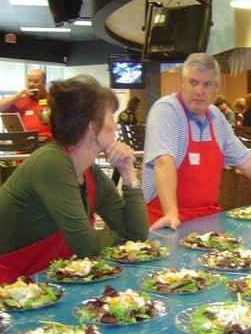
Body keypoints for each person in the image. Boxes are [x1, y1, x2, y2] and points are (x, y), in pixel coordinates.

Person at [0, 75, 148, 283]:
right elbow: (85, 244)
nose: (115, 126)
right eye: (111, 118)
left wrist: (129, 173)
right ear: (92, 127)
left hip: (40, 281)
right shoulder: (51, 162)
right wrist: (119, 237)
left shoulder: (90, 172)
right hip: (10, 284)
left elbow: (138, 232)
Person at [143, 53, 251, 230]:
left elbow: (245, 160)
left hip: (207, 222)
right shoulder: (167, 109)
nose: (199, 91)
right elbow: (164, 161)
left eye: (207, 84)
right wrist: (171, 213)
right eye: (193, 82)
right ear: (182, 82)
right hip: (167, 220)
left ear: (216, 87)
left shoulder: (216, 117)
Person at [0, 69, 52, 140]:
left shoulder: (52, 99)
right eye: (29, 81)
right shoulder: (21, 98)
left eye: (35, 81)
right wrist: (18, 95)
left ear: (44, 83)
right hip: (25, 143)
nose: (31, 84)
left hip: (47, 144)